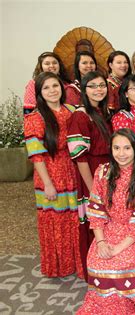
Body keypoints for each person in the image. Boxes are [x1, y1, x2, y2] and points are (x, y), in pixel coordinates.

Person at [77, 128, 135, 314]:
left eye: (127, 148)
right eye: (117, 148)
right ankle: (104, 307)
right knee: (97, 260)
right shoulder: (102, 172)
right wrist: (102, 242)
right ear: (111, 150)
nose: (121, 153)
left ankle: (124, 307)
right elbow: (96, 210)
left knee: (118, 263)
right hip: (109, 230)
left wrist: (119, 248)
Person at [24, 72, 80, 277]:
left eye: (55, 86)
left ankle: (77, 263)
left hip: (72, 171)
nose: (52, 91)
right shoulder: (35, 118)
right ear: (39, 92)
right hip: (49, 172)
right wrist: (47, 183)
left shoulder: (72, 111)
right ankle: (59, 266)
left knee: (75, 218)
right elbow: (36, 155)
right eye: (46, 87)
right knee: (56, 221)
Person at [67, 71, 112, 280]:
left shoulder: (103, 112)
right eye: (92, 86)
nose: (98, 90)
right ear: (84, 90)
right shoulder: (80, 116)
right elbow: (80, 157)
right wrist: (92, 187)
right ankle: (93, 270)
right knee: (95, 221)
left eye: (102, 85)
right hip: (91, 174)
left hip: (108, 171)